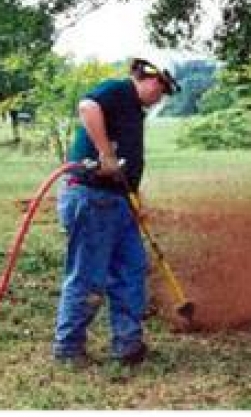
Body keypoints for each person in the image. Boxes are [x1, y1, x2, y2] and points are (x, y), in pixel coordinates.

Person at [53, 57, 178, 366]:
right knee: (87, 275)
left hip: (117, 203)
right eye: (161, 90)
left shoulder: (134, 110)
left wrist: (135, 201)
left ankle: (128, 344)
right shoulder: (119, 90)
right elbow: (87, 107)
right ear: (151, 79)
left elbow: (129, 164)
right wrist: (106, 154)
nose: (160, 98)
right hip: (92, 197)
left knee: (131, 270)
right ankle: (68, 348)